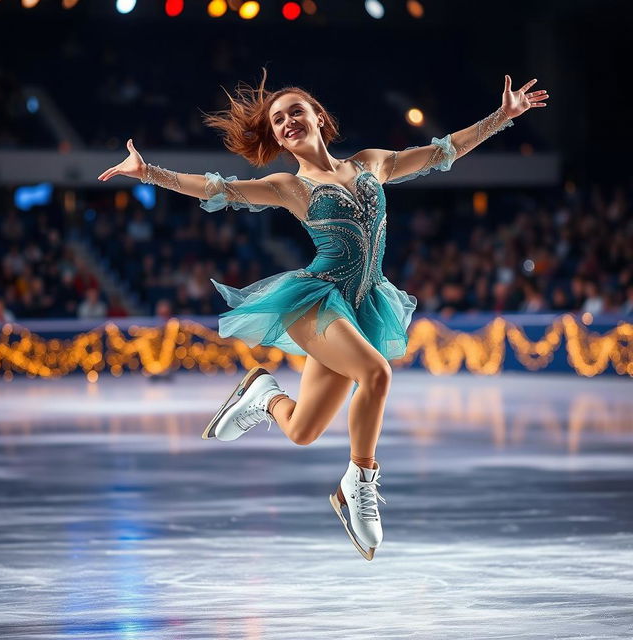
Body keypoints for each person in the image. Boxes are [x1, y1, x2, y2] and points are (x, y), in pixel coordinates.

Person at [98, 69, 548, 560]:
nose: (288, 120)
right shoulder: (287, 186)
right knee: (376, 373)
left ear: (318, 117)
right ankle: (360, 481)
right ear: (275, 136)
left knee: (302, 431)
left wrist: (503, 116)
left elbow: (444, 152)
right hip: (315, 301)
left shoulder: (372, 163)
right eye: (277, 119)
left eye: (295, 110)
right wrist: (149, 174)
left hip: (363, 305)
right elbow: (216, 189)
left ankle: (263, 394)